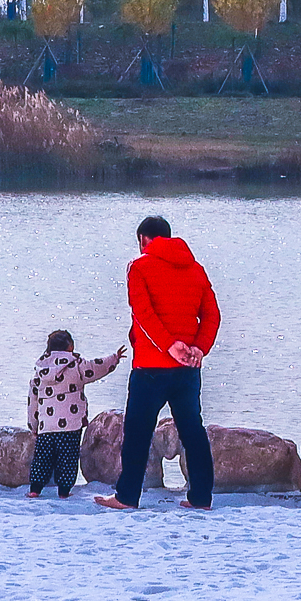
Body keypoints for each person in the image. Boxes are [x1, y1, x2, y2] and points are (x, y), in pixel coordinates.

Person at [98, 213, 219, 511]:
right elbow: (212, 316)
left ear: (144, 239)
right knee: (193, 431)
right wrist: (198, 349)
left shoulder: (138, 267)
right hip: (188, 369)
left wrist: (170, 347)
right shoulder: (196, 269)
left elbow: (143, 313)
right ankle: (201, 498)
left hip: (150, 367)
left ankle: (126, 497)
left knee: (138, 433)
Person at [24, 328, 123, 497]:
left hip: (47, 424)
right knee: (68, 459)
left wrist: (34, 425)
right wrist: (114, 358)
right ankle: (63, 492)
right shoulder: (76, 365)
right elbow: (96, 367)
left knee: (42, 459)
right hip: (70, 422)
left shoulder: (40, 369)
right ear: (70, 346)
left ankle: (35, 490)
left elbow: (32, 400)